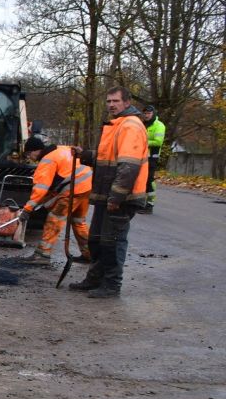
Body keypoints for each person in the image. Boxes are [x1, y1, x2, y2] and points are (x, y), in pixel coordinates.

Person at [68, 86, 149, 298]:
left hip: (121, 198)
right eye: (108, 101)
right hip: (107, 195)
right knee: (95, 240)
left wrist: (117, 197)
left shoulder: (130, 126)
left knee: (112, 242)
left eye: (116, 101)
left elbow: (129, 167)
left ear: (127, 102)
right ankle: (94, 279)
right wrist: (85, 155)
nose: (111, 105)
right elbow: (107, 158)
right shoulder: (115, 125)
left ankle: (111, 285)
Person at [19, 134, 93, 266]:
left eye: (29, 153)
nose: (29, 157)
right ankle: (89, 254)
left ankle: (43, 254)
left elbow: (41, 188)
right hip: (87, 186)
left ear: (36, 150)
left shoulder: (47, 160)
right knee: (78, 221)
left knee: (54, 219)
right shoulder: (61, 149)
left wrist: (28, 209)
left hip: (74, 189)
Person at [138, 105, 165, 213]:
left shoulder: (159, 125)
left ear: (153, 113)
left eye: (148, 113)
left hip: (152, 157)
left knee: (149, 179)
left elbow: (158, 142)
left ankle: (150, 204)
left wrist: (143, 143)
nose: (146, 115)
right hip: (140, 155)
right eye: (145, 113)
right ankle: (140, 202)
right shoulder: (142, 124)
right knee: (140, 179)